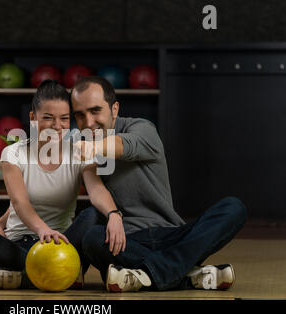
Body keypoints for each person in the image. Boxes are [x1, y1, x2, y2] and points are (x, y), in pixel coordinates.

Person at [70, 76, 247, 292]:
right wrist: (114, 214)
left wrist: (93, 147)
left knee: (233, 208)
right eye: (80, 115)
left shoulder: (142, 128)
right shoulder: (86, 145)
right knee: (92, 237)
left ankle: (151, 272)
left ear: (114, 109)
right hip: (126, 242)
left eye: (95, 111)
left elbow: (125, 144)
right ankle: (187, 274)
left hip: (171, 235)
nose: (88, 122)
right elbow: (95, 189)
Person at [0, 80, 125, 289]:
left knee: (94, 215)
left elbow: (97, 190)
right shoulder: (13, 153)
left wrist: (113, 214)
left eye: (64, 119)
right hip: (20, 243)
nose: (57, 126)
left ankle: (19, 277)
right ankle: (58, 274)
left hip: (64, 244)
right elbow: (20, 202)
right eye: (48, 118)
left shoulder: (80, 152)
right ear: (33, 118)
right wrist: (43, 231)